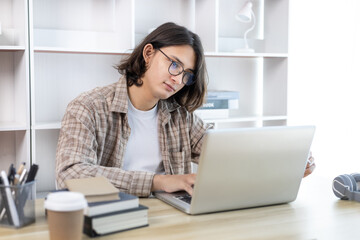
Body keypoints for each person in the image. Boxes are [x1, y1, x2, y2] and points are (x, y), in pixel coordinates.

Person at [56, 22, 315, 197]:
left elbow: (229, 156)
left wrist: (287, 160)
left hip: (171, 217)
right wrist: (158, 182)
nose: (178, 80)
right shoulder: (88, 108)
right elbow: (70, 174)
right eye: (174, 65)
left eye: (187, 75)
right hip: (112, 217)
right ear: (148, 53)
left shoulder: (180, 118)